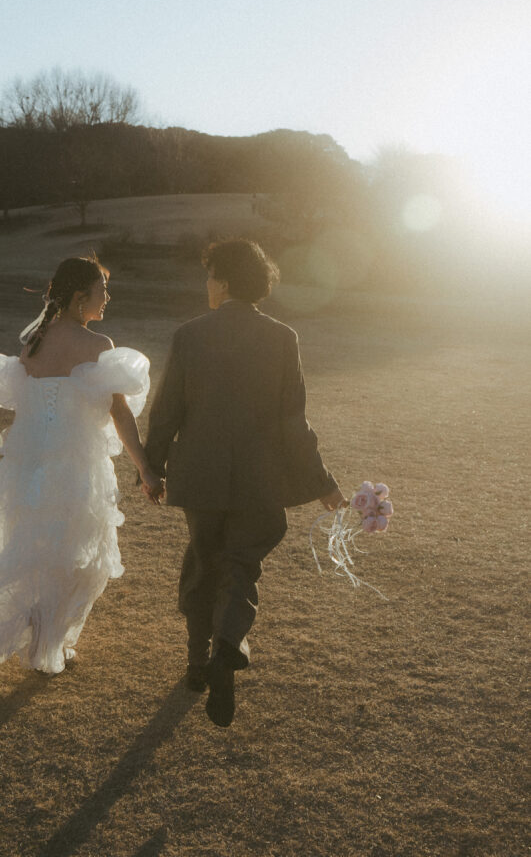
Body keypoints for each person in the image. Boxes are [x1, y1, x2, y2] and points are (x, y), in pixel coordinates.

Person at [143, 239, 344, 727]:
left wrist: (152, 468)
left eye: (210, 275)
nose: (207, 284)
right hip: (259, 479)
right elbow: (294, 423)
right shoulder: (282, 337)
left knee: (204, 560)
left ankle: (197, 667)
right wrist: (325, 484)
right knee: (241, 565)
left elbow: (167, 409)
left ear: (225, 281)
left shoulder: (190, 334)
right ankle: (228, 643)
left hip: (200, 475)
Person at [0, 256, 163, 675]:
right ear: (80, 298)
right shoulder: (98, 347)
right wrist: (145, 467)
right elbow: (121, 414)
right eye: (101, 291)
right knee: (76, 559)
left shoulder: (34, 343)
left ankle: (44, 638)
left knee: (39, 553)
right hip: (77, 468)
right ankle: (45, 642)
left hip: (30, 468)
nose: (106, 299)